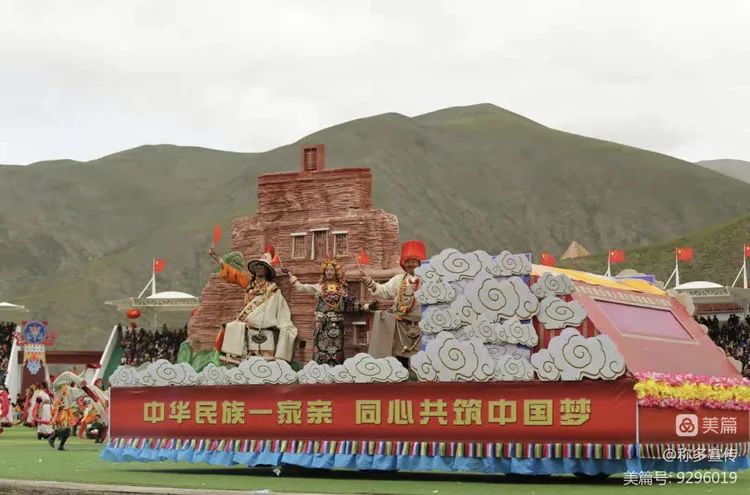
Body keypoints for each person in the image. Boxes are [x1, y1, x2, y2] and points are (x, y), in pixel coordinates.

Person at [209, 245, 298, 363]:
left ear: (267, 270)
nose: (259, 267)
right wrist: (217, 258)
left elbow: (281, 310)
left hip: (263, 329)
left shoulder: (273, 290)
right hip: (245, 325)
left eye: (262, 266)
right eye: (257, 265)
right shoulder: (249, 284)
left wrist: (285, 326)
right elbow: (233, 274)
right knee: (230, 327)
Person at [289, 259, 377, 365]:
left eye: (331, 270)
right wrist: (291, 276)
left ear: (336, 272)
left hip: (337, 324)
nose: (329, 272)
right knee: (320, 349)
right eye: (327, 270)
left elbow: (349, 304)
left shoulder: (341, 289)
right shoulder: (319, 287)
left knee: (337, 349)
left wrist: (367, 306)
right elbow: (301, 288)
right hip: (322, 324)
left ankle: (336, 370)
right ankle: (320, 370)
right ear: (324, 272)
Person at [360, 240, 426, 367]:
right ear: (404, 263)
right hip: (401, 326)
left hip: (422, 327)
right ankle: (403, 377)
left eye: (414, 261)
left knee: (422, 360)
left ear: (420, 263)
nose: (411, 265)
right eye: (408, 262)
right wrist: (370, 282)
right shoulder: (398, 279)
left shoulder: (428, 280)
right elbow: (383, 290)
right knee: (401, 358)